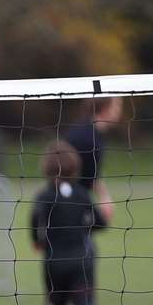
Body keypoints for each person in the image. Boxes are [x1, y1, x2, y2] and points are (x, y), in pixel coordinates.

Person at [30, 140, 112, 305]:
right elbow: (100, 222)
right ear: (75, 167)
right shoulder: (82, 194)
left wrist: (37, 242)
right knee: (85, 304)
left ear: (46, 167)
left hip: (54, 264)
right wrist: (82, 228)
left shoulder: (44, 196)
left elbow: (35, 222)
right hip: (82, 262)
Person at [63, 95, 122, 224]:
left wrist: (104, 197)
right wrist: (104, 198)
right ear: (105, 108)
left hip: (77, 198)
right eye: (116, 106)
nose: (119, 110)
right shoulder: (86, 137)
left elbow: (92, 175)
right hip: (69, 200)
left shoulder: (94, 133)